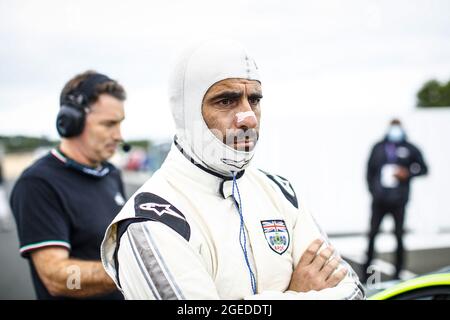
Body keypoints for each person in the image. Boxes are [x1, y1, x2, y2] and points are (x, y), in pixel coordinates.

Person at [101, 40, 365, 300]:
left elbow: (354, 291)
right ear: (186, 111)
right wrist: (296, 293)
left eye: (254, 99)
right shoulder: (151, 221)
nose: (248, 117)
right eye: (226, 101)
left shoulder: (280, 191)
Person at [10, 71, 127, 299]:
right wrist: (132, 270)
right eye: (109, 124)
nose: (119, 136)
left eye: (120, 123)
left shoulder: (111, 174)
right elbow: (57, 278)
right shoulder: (37, 183)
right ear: (71, 121)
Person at [363, 119, 428, 281]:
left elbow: (424, 169)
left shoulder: (410, 148)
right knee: (372, 235)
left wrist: (408, 173)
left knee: (399, 236)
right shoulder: (378, 147)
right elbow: (369, 171)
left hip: (398, 202)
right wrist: (374, 191)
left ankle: (398, 273)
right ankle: (366, 274)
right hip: (379, 201)